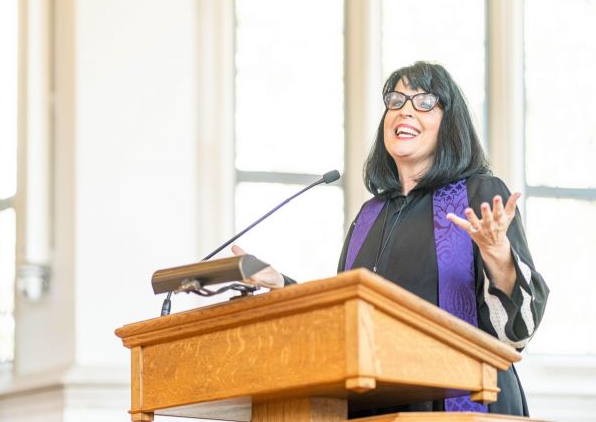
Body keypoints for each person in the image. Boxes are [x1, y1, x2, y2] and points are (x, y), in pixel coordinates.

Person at [232, 61, 549, 416]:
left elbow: (518, 332)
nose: (405, 111)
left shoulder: (477, 194)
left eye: (424, 101)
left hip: (464, 403)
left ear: (450, 123)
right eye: (396, 101)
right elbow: (347, 316)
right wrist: (282, 286)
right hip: (379, 405)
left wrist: (497, 253)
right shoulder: (369, 216)